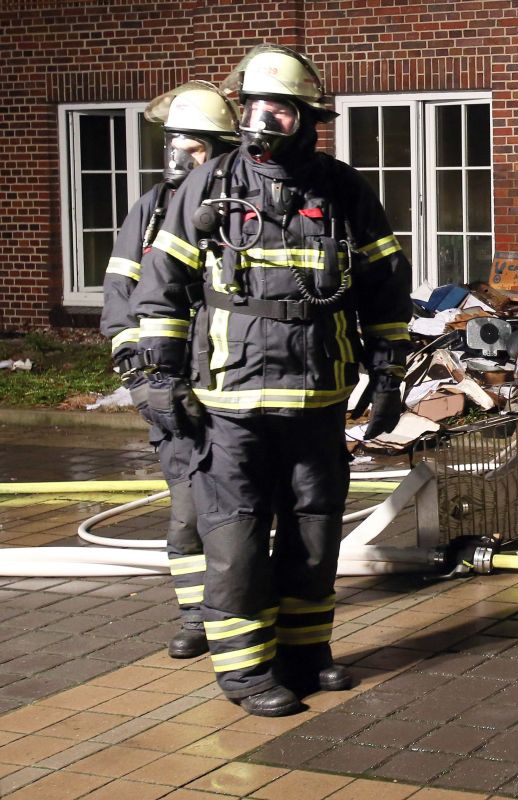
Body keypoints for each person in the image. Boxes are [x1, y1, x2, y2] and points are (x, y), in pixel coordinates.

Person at [130, 44, 413, 717]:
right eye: (258, 108)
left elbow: (384, 286)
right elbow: (162, 287)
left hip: (318, 400)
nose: (268, 122)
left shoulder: (343, 190)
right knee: (235, 541)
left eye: (283, 110)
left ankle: (306, 655)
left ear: (309, 117)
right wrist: (159, 377)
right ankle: (245, 673)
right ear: (242, 110)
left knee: (314, 538)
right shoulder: (210, 184)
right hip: (228, 407)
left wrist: (388, 371)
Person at [100, 81, 240, 660]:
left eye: (194, 145)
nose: (180, 154)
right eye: (174, 142)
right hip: (172, 391)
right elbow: (120, 299)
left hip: (235, 389)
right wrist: (145, 382)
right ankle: (195, 616)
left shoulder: (241, 209)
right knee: (187, 512)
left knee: (243, 516)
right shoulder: (151, 209)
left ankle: (245, 612)